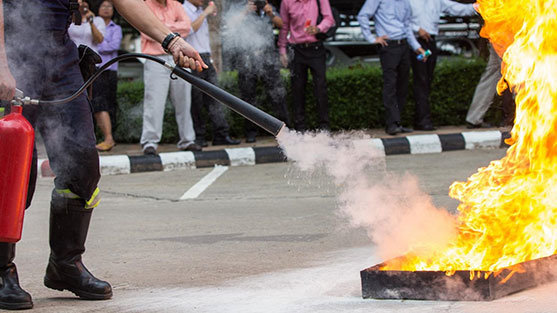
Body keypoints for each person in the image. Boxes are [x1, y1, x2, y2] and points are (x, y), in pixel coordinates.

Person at [0, 0, 205, 310]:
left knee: (82, 163)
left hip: (60, 57)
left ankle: (65, 264)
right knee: (11, 170)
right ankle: (1, 270)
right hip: (13, 50)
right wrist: (0, 61)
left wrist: (171, 39)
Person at [357, 0, 427, 135]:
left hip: (403, 44)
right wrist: (371, 38)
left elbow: (407, 27)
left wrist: (417, 47)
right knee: (390, 84)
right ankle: (391, 124)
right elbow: (363, 16)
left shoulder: (405, 2)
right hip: (388, 46)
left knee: (403, 85)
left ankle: (397, 122)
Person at [141, 0, 201, 155]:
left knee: (184, 100)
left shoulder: (176, 5)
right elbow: (146, 31)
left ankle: (188, 140)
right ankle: (150, 142)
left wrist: (161, 28)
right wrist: (173, 30)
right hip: (155, 58)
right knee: (154, 101)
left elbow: (187, 27)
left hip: (180, 57)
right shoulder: (145, 5)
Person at [409, 0, 476, 131]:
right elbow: (403, 21)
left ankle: (422, 119)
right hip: (416, 43)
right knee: (421, 80)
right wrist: (417, 29)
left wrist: (482, 6)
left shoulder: (437, 1)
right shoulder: (409, 2)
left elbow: (458, 9)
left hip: (430, 43)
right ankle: (422, 120)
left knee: (427, 80)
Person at [230, 0, 291, 143]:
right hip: (247, 58)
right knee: (248, 97)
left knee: (277, 94)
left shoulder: (268, 7)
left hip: (268, 56)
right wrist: (245, 12)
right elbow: (230, 25)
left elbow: (283, 25)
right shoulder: (240, 7)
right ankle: (250, 132)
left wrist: (270, 13)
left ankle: (284, 131)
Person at [183, 0, 240, 147]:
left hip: (206, 57)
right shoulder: (183, 9)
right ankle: (199, 137)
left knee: (215, 97)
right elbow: (189, 29)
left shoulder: (201, 10)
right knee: (196, 100)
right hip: (191, 58)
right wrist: (206, 13)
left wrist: (212, 59)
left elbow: (205, 37)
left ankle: (220, 134)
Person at [278, 0, 334, 132]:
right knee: (297, 89)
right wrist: (282, 50)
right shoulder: (287, 2)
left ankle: (324, 127)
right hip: (297, 50)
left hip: (316, 48)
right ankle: (300, 128)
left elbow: (329, 18)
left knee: (321, 88)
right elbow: (284, 26)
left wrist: (318, 28)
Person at [92, 0, 122, 152]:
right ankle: (104, 138)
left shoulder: (116, 28)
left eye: (109, 6)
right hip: (94, 70)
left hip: (108, 70)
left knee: (106, 104)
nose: (106, 9)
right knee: (96, 104)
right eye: (103, 6)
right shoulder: (92, 24)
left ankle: (109, 138)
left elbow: (113, 46)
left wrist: (97, 43)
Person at [466, 43, 515, 128]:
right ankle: (524, 117)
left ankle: (474, 117)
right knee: (516, 73)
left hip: (496, 36)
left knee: (493, 73)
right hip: (508, 38)